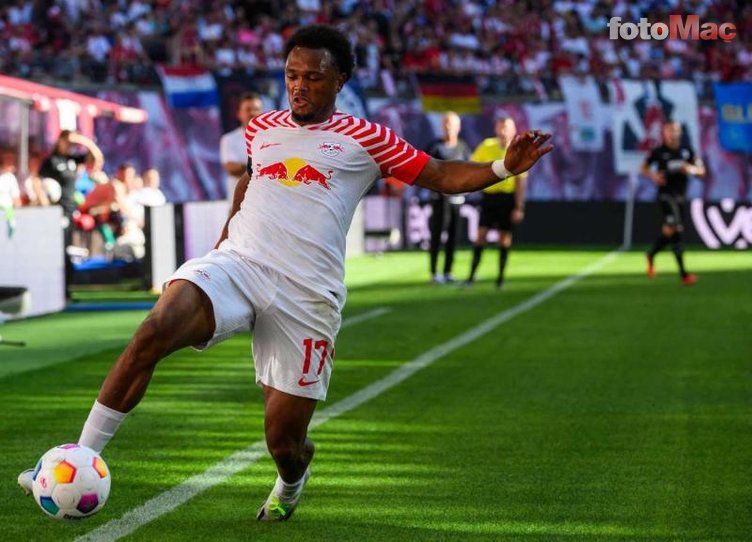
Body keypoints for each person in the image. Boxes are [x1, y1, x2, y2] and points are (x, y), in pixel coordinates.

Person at [18, 25, 553, 522]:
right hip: (240, 265)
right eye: (292, 75)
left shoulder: (367, 138)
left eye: (313, 78)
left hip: (307, 294)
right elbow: (251, 179)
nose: (299, 87)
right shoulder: (262, 128)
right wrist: (225, 236)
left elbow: (439, 173)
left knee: (283, 441)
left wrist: (503, 168)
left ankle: (292, 481)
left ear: (339, 80)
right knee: (154, 329)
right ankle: (77, 456)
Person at [38, 130, 104, 300]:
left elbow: (97, 160)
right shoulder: (51, 161)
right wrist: (45, 205)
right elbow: (39, 182)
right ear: (59, 141)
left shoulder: (72, 160)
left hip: (69, 211)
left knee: (66, 249)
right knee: (58, 250)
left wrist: (84, 141)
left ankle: (65, 290)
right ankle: (56, 291)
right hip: (56, 212)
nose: (69, 145)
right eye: (67, 141)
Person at [465, 115, 528, 289]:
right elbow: (473, 166)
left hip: (507, 198)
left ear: (513, 130)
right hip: (489, 197)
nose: (503, 131)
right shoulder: (487, 146)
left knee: (504, 238)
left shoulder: (518, 151)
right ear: (496, 129)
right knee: (481, 235)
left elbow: (520, 181)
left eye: (506, 127)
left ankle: (500, 279)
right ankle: (471, 277)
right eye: (500, 127)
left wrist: (519, 207)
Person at [641, 121, 705, 285]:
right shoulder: (659, 152)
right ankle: (684, 274)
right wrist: (654, 176)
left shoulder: (687, 151)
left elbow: (701, 171)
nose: (673, 134)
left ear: (680, 132)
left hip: (680, 197)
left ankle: (651, 254)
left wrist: (690, 169)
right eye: (669, 131)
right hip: (665, 195)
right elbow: (644, 168)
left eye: (676, 130)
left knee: (671, 231)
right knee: (675, 227)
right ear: (664, 133)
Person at [424, 112, 471, 284]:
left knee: (453, 235)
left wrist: (466, 187)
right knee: (437, 234)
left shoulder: (463, 147)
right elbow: (426, 170)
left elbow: (469, 170)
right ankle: (434, 272)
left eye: (452, 123)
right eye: (446, 123)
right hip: (439, 198)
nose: (448, 127)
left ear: (459, 127)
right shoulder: (435, 147)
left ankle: (448, 271)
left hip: (457, 199)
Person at [220, 91, 264, 199]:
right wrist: (264, 169)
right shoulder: (229, 139)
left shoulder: (273, 137)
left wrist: (246, 168)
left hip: (265, 203)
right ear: (239, 114)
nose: (252, 113)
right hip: (239, 202)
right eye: (248, 109)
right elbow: (232, 168)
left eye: (256, 109)